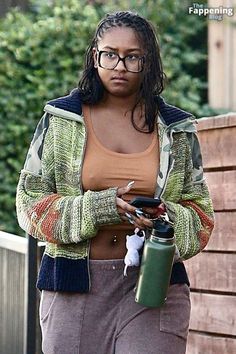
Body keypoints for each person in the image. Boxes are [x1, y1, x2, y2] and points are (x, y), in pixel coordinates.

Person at [16, 10, 214, 354]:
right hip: (72, 288)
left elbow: (202, 217)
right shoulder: (60, 121)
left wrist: (164, 218)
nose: (119, 65)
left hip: (154, 288)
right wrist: (99, 208)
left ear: (147, 61)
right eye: (110, 54)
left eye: (132, 57)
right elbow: (29, 204)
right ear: (96, 57)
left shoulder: (179, 130)